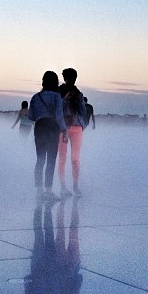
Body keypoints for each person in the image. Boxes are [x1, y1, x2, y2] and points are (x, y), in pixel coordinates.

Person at [28, 71, 68, 203]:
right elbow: (59, 115)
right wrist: (64, 130)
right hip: (52, 128)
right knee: (51, 160)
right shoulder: (56, 96)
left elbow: (31, 117)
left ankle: (39, 191)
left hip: (39, 127)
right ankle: (48, 191)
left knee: (40, 160)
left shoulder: (35, 97)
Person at [57, 68, 86, 198]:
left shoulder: (79, 94)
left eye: (73, 78)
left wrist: (80, 101)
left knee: (75, 159)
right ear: (65, 78)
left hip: (77, 127)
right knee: (62, 158)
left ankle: (75, 184)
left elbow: (82, 112)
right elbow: (57, 110)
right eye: (69, 78)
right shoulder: (58, 93)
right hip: (63, 127)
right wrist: (65, 99)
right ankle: (63, 186)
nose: (71, 81)